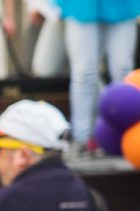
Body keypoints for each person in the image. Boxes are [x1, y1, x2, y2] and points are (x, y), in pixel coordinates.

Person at [57, 0, 140, 148]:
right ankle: (80, 138)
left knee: (122, 69)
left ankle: (126, 135)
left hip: (122, 5)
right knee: (84, 72)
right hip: (82, 5)